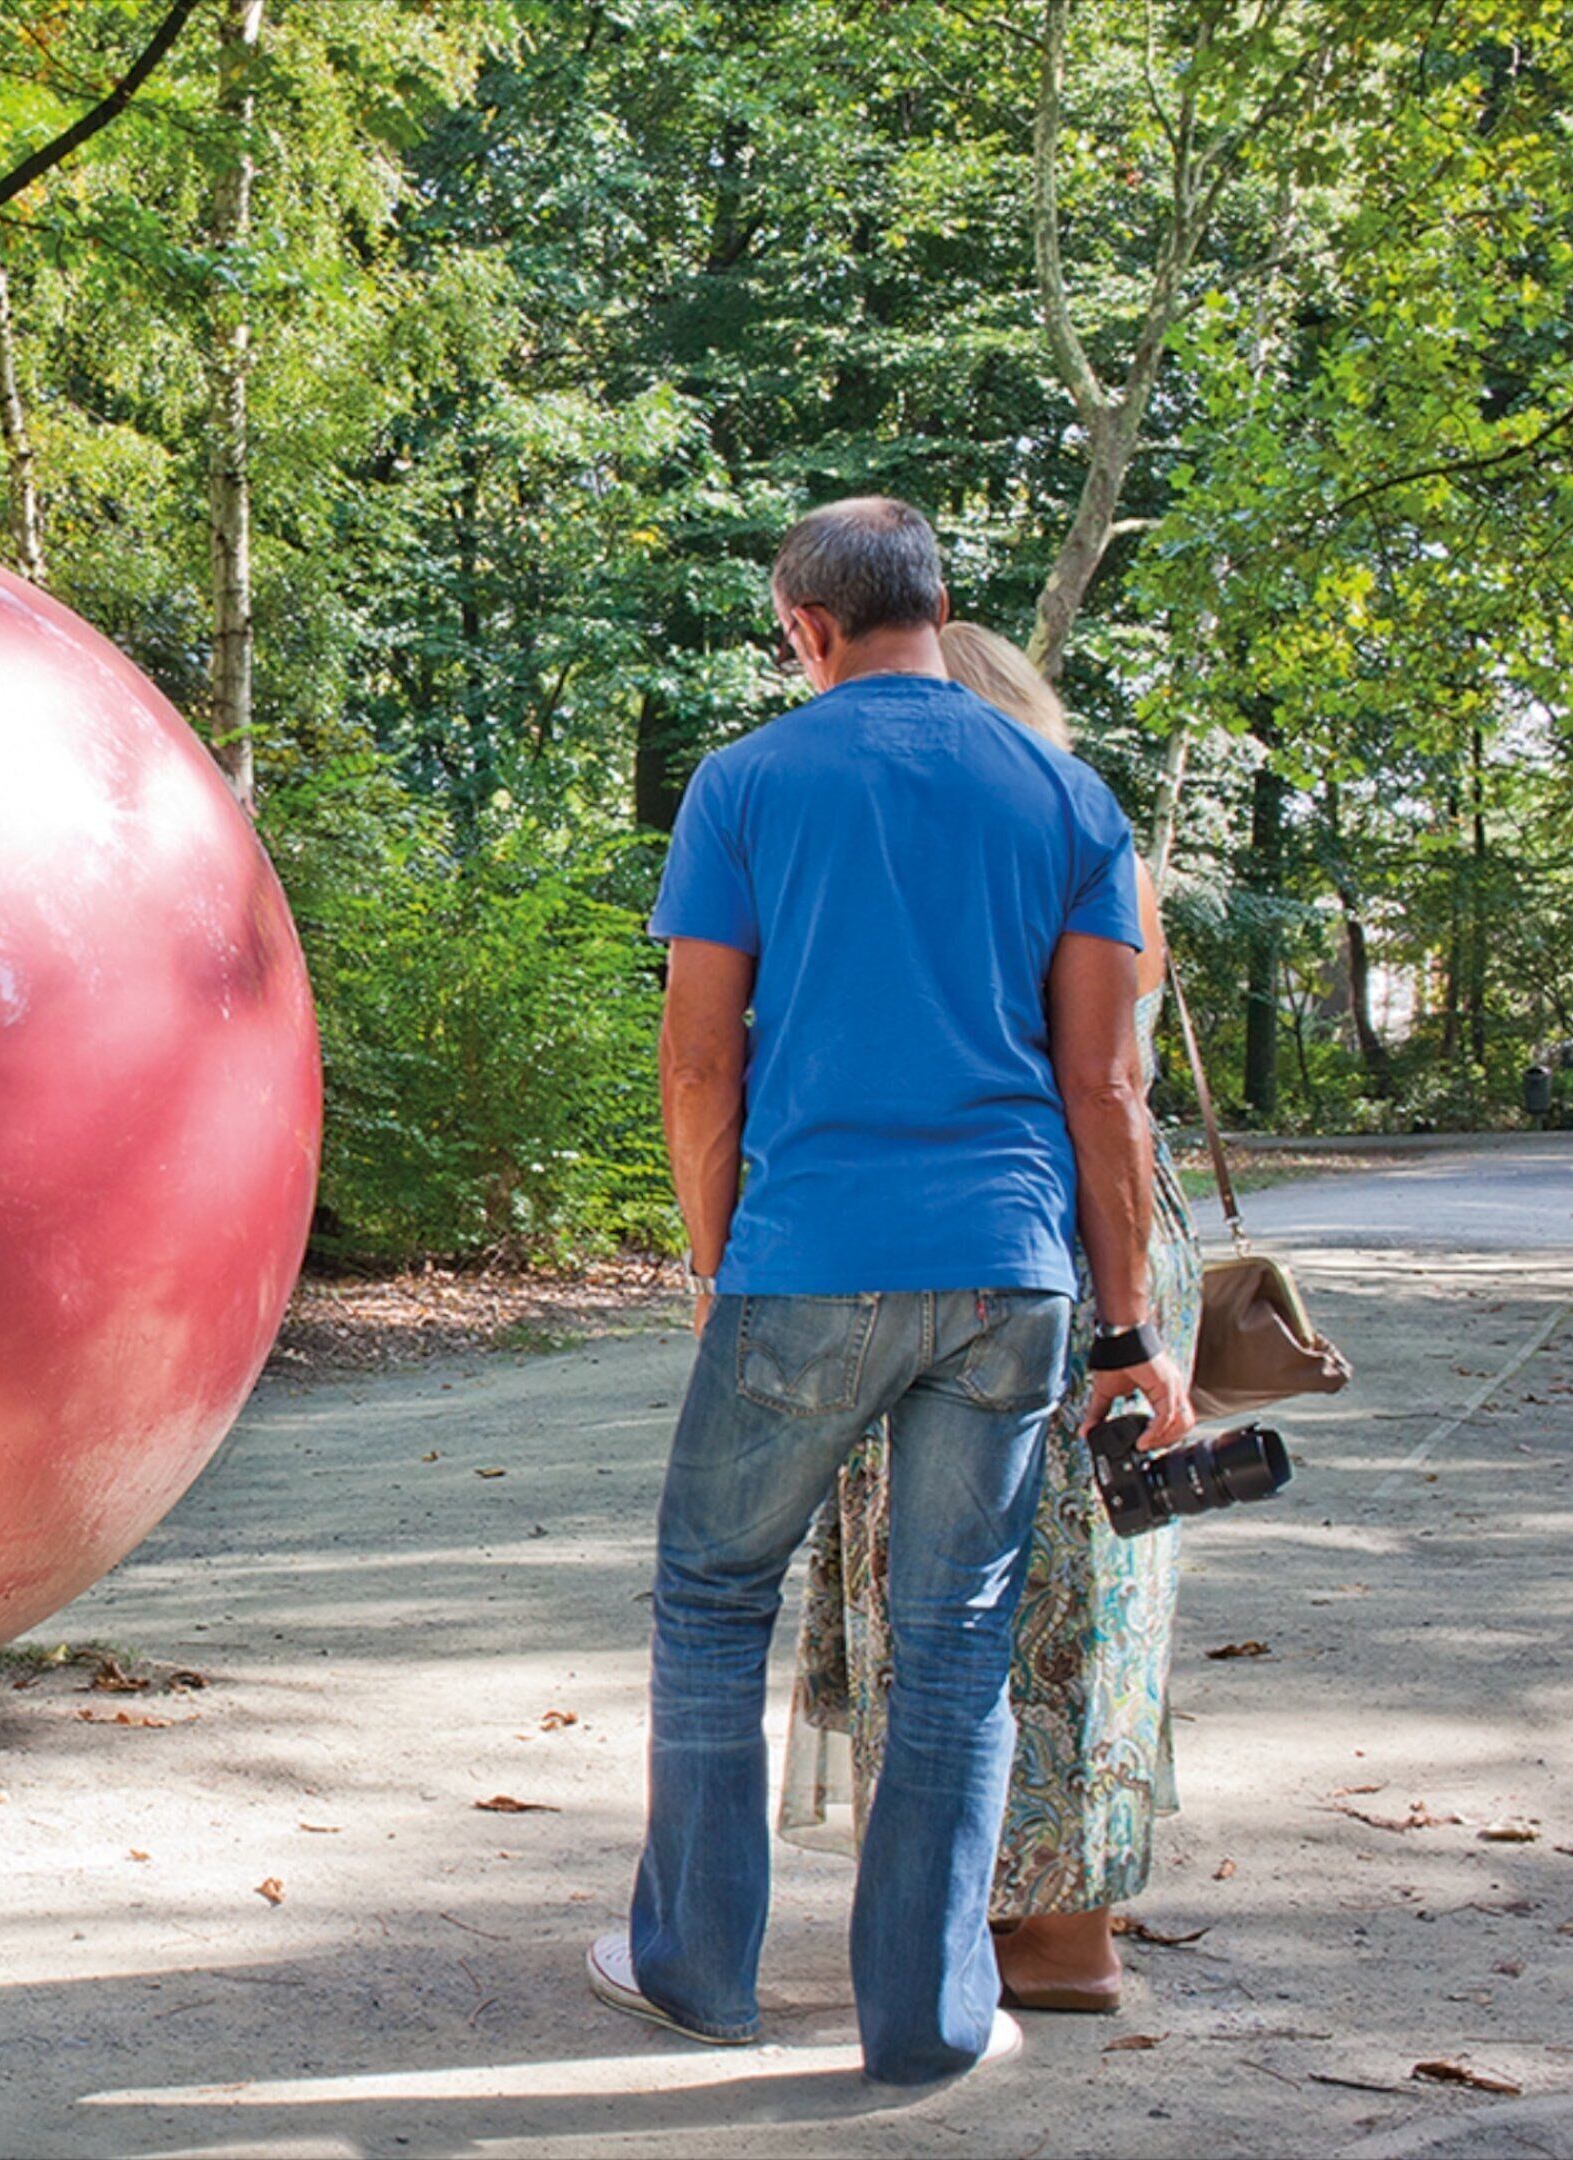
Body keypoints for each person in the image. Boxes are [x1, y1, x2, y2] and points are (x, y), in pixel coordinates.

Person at [593, 497, 1194, 2085]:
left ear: (807, 626)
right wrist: (1127, 1333)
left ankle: (699, 1974)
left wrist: (717, 1260)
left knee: (714, 1602)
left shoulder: (747, 783)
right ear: (939, 604)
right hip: (1011, 1275)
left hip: (810, 1257)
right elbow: (1106, 1089)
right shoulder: (1067, 795)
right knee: (959, 1636)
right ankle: (926, 2022)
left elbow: (700, 1057)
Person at [781, 625, 1207, 2013]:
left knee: (976, 1590)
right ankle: (1038, 1911)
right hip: (1099, 1246)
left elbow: (1101, 1093)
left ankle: (1042, 1930)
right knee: (1076, 1591)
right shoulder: (1080, 841)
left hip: (1000, 1249)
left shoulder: (917, 866)